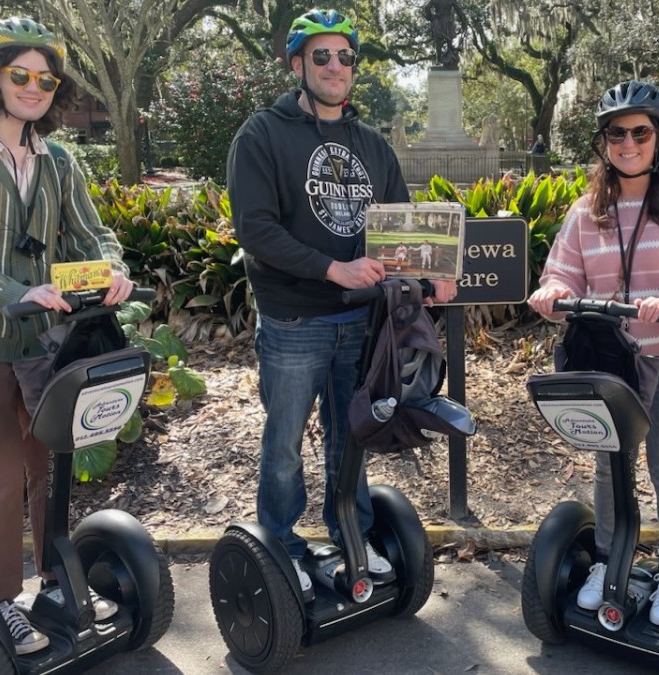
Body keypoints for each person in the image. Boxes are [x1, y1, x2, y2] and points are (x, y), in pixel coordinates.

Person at [0, 17, 133, 655]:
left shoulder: (58, 160)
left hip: (46, 344)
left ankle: (53, 584)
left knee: (48, 467)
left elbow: (92, 233)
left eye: (47, 78)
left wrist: (114, 268)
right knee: (1, 477)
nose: (34, 87)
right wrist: (15, 293)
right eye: (21, 75)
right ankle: (3, 603)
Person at [226, 8, 456, 599]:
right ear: (297, 64)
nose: (335, 67)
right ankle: (280, 544)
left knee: (349, 436)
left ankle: (348, 534)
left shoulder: (372, 145)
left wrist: (431, 277)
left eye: (345, 57)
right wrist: (333, 267)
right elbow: (255, 229)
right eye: (321, 56)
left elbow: (401, 229)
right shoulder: (261, 135)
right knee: (283, 444)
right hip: (295, 321)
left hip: (362, 322)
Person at [527, 80, 659, 628]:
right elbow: (564, 270)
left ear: (658, 137)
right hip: (612, 362)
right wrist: (552, 293)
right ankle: (610, 559)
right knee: (610, 465)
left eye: (641, 132)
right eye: (618, 133)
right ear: (604, 142)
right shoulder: (587, 208)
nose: (629, 143)